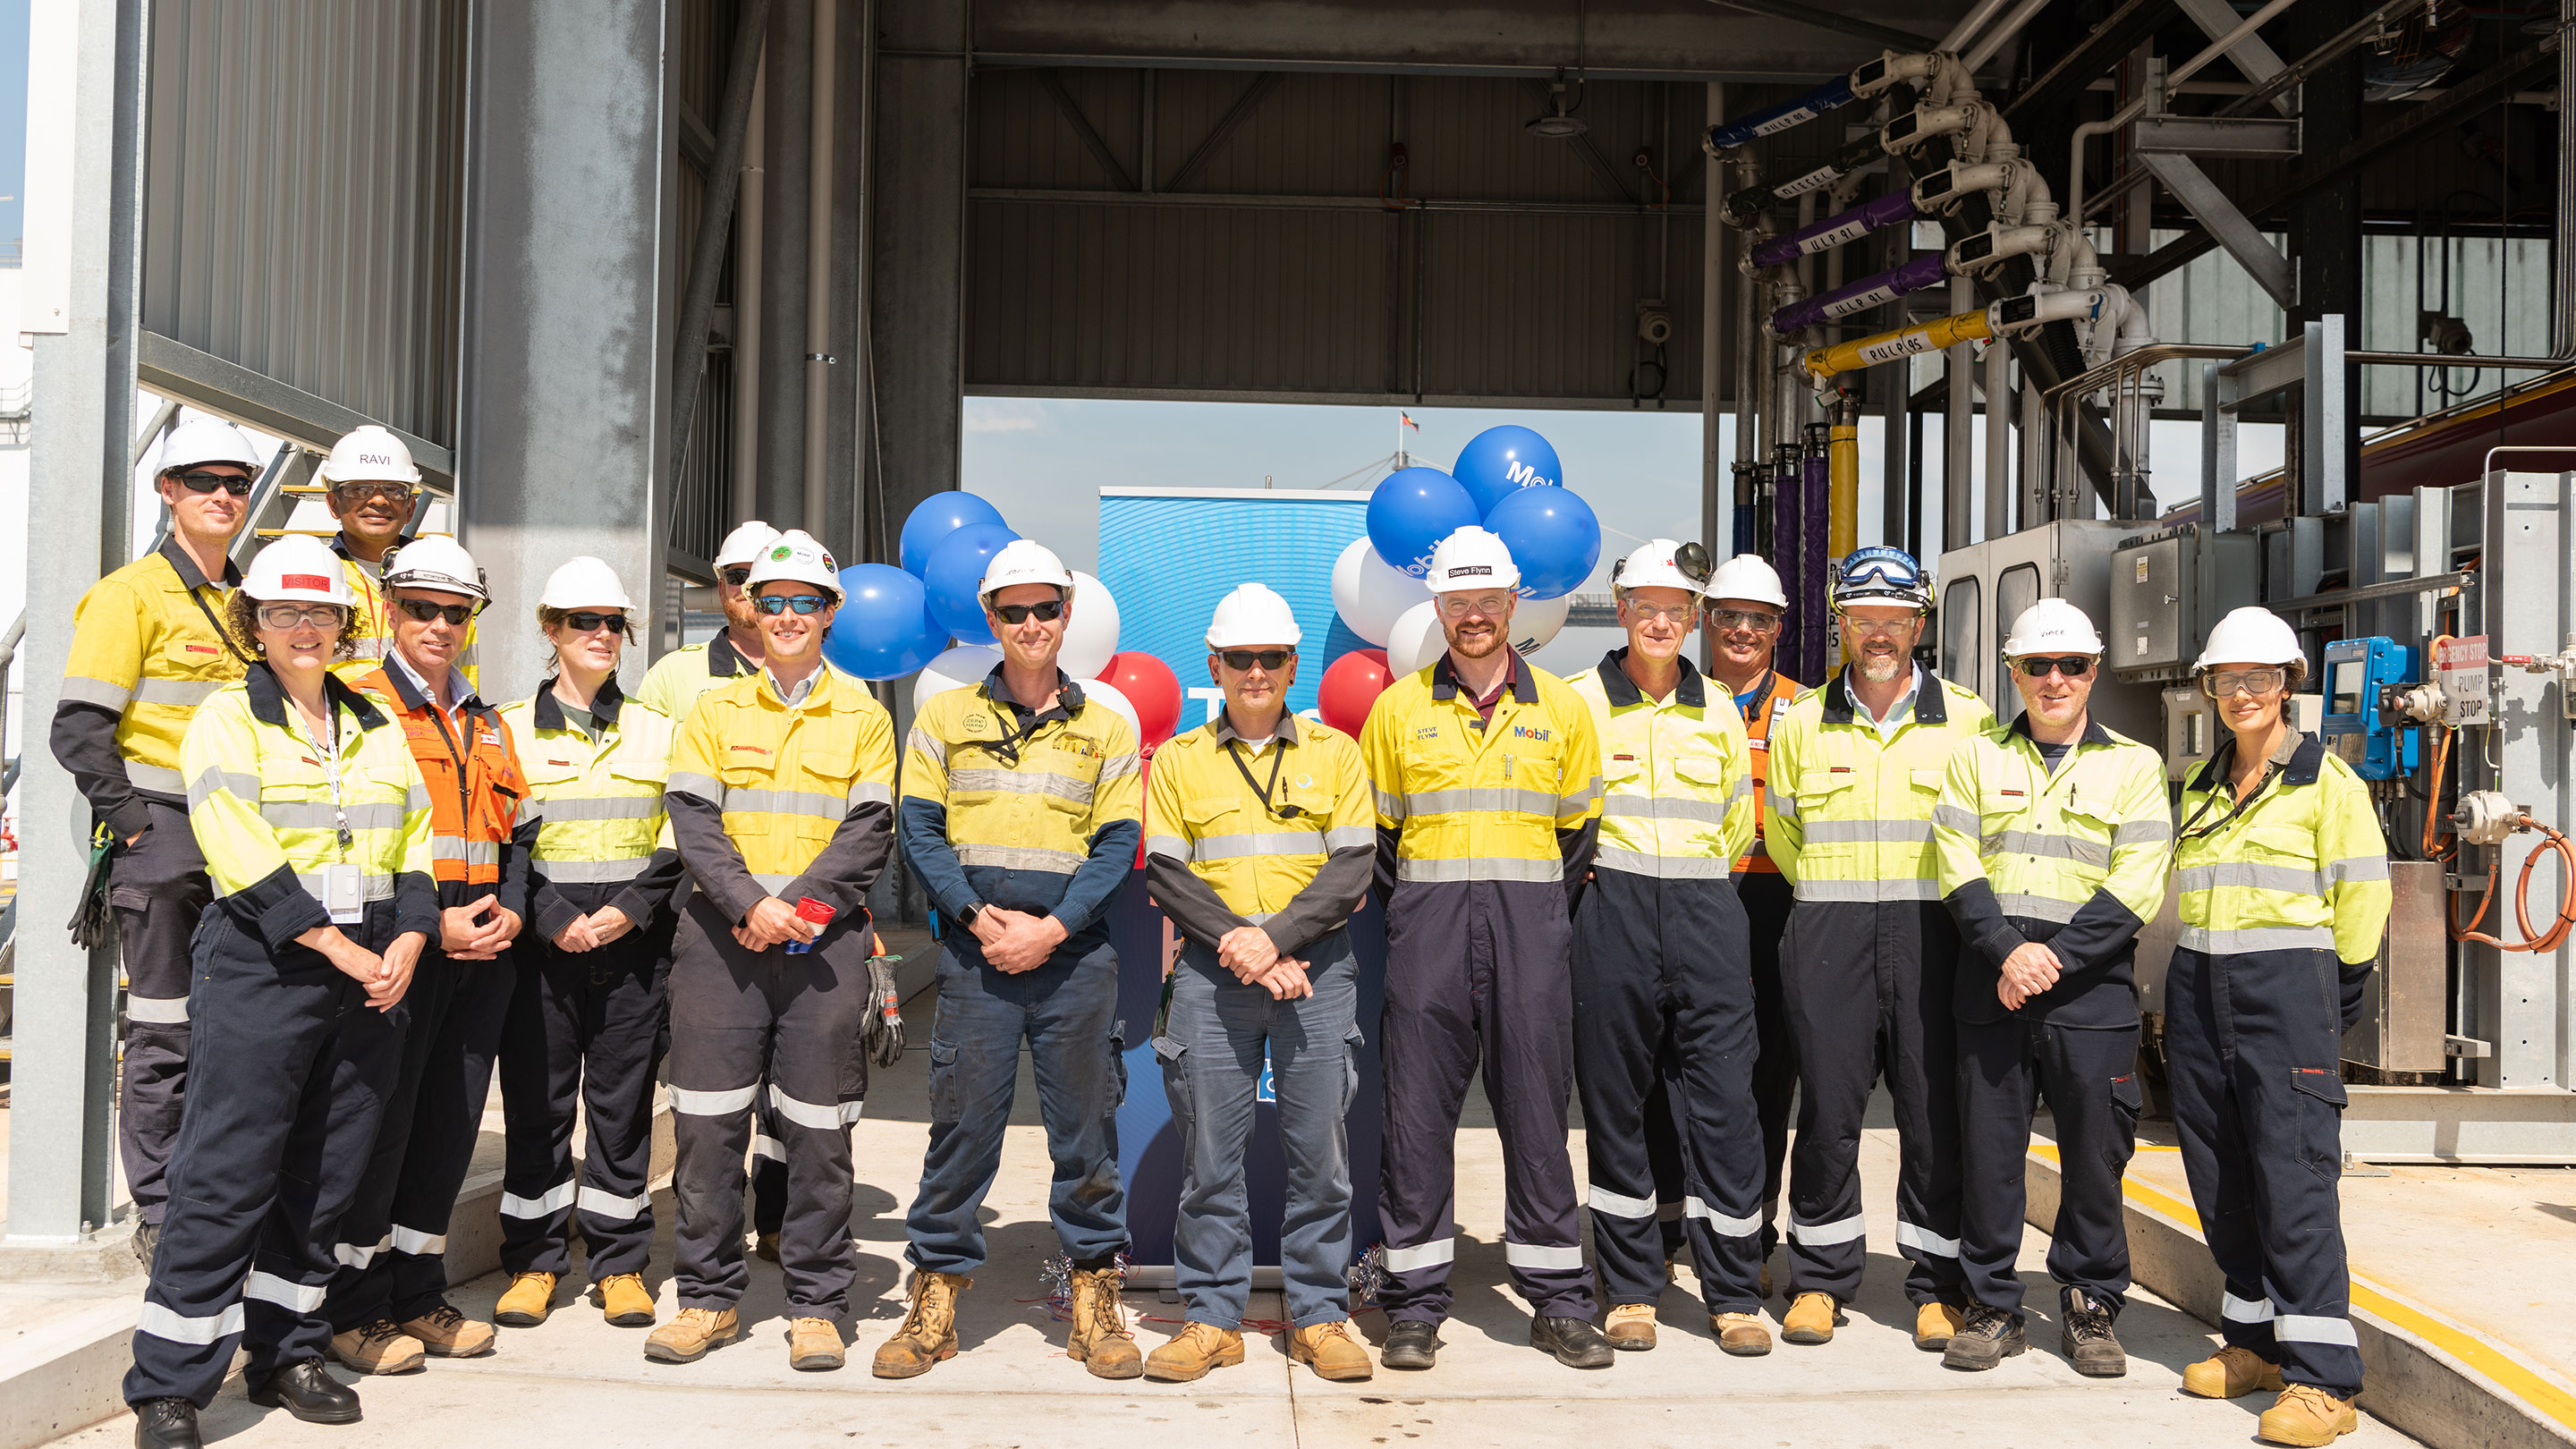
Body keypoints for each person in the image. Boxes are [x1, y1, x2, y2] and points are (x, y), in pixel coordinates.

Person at [123, 535, 435, 1448]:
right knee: (226, 1171)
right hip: (270, 962)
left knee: (326, 1173)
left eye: (322, 613)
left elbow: (415, 835)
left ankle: (288, 1349)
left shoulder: (375, 723)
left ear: (345, 625)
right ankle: (171, 1383)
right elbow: (237, 845)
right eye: (286, 613)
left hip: (376, 965)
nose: (307, 628)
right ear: (253, 626)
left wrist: (411, 936)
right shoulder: (226, 718)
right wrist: (338, 948)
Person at [878, 538, 1145, 1381]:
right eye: (1012, 610)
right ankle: (936, 1301)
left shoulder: (1108, 723)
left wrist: (1053, 928)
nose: (1031, 624)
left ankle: (1095, 1301)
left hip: (1074, 959)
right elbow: (918, 828)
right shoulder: (948, 718)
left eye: (1046, 608)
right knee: (962, 1130)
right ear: (990, 620)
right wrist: (971, 914)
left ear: (1067, 615)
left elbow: (1116, 845)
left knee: (1087, 1137)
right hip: (975, 956)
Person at [1357, 525, 1612, 1372]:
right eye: (1458, 601)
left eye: (1487, 601)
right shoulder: (1398, 710)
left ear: (1513, 605)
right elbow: (1379, 839)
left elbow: (1579, 833)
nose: (1473, 616)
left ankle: (1559, 1302)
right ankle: (1415, 1307)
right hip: (1425, 928)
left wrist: (1527, 912)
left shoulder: (1563, 709)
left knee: (1539, 1113)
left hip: (1530, 928)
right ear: (1438, 607)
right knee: (1416, 1118)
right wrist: (1425, 911)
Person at [648, 530, 897, 1373]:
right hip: (722, 944)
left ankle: (817, 1304)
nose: (788, 616)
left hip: (823, 947)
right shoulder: (714, 711)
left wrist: (796, 911)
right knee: (708, 1127)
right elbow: (694, 822)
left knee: (822, 1130)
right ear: (752, 611)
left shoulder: (865, 714)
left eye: (806, 603)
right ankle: (708, 1301)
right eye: (773, 601)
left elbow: (868, 835)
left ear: (830, 614)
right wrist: (753, 907)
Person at [1139, 584, 1377, 1385]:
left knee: (1320, 1156)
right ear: (1214, 664)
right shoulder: (1176, 759)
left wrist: (1270, 941)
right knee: (1211, 1156)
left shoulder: (1336, 755)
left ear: (1292, 666)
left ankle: (1319, 1314)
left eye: (1270, 659)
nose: (1255, 672)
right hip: (1211, 978)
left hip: (1317, 972)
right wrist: (1245, 949)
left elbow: (1352, 870)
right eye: (1239, 659)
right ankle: (1211, 1317)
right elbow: (1168, 873)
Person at [1929, 600, 2170, 1377]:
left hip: (2088, 990)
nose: (2054, 680)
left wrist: (2051, 961)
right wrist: (2006, 950)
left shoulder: (2133, 765)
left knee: (2094, 1155)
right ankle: (1993, 1304)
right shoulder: (1975, 757)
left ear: (2094, 671)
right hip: (1993, 979)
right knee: (1989, 1152)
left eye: (2070, 666)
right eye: (2037, 666)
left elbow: (2140, 880)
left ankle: (2091, 1302)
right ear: (2013, 673)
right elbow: (1955, 860)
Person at [2167, 606, 2388, 1449]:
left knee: (2294, 1181)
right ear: (2211, 689)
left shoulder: (2329, 785)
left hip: (2289, 995)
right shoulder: (2198, 784)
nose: (2243, 695)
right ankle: (2254, 1345)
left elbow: (2362, 897)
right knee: (2220, 1174)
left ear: (2288, 684)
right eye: (2228, 681)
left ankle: (2324, 1382)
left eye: (2259, 679)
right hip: (2198, 991)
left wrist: (2335, 999)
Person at [1765, 545, 1993, 1352]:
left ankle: (1935, 1287)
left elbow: (1984, 837)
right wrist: (1837, 901)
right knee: (1828, 1110)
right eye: (1863, 619)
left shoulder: (1969, 719)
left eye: (1895, 619)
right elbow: (1784, 833)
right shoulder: (1798, 724)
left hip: (1933, 932)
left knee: (1933, 1112)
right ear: (1842, 627)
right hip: (1829, 930)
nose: (1880, 633)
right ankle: (1820, 1280)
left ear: (1919, 624)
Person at [54, 415, 263, 1258]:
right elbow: (79, 729)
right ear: (166, 488)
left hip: (243, 841)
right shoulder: (130, 595)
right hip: (168, 837)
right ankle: (161, 1209)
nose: (223, 496)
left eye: (237, 484)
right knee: (164, 1026)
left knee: (242, 1027)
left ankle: (226, 1191)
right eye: (204, 481)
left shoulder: (252, 604)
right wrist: (138, 830)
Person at [326, 536, 530, 1374]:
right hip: (402, 946)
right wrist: (430, 922)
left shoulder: (483, 719)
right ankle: (352, 1309)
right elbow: (359, 837)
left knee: (447, 1129)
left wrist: (512, 914)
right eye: (422, 608)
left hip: (483, 954)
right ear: (391, 609)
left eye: (456, 611)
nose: (439, 626)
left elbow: (519, 837)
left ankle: (416, 1294)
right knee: (378, 1129)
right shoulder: (355, 703)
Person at [1564, 540, 1770, 1358]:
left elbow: (1735, 822)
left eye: (1676, 609)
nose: (1660, 621)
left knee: (1726, 1104)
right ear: (1619, 610)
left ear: (1694, 620)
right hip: (1609, 907)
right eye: (1644, 605)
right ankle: (1633, 1289)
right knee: (1616, 1104)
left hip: (1704, 908)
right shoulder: (1577, 702)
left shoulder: (1718, 706)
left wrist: (1692, 893)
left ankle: (1730, 1291)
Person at [491, 558, 685, 1334]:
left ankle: (620, 1264)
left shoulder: (658, 731)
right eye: (584, 622)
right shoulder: (505, 728)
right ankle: (534, 1262)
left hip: (631, 948)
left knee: (622, 1110)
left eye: (613, 623)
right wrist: (551, 918)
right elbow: (502, 843)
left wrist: (631, 911)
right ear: (550, 629)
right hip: (543, 949)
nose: (602, 636)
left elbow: (677, 840)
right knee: (537, 1109)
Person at [634, 518, 793, 1258]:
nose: (750, 594)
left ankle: (778, 1215)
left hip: (794, 907)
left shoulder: (826, 679)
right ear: (723, 590)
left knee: (791, 1084)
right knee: (712, 1076)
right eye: (736, 579)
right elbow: (674, 798)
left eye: (765, 583)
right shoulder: (675, 677)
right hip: (699, 898)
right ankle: (711, 1223)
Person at [1699, 552, 1805, 1293]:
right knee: (1677, 1069)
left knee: (1768, 1076)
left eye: (1757, 620)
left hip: (1776, 904)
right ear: (1708, 622)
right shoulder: (1675, 699)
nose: (1742, 631)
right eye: (1729, 617)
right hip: (1695, 899)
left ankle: (1754, 1234)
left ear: (1778, 628)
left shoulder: (1807, 708)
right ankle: (1674, 1224)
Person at [314, 425, 475, 687]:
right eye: (360, 489)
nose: (379, 500)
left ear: (410, 508)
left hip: (428, 725)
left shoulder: (448, 580)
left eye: (394, 490)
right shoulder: (314, 578)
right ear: (334, 504)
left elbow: (465, 677)